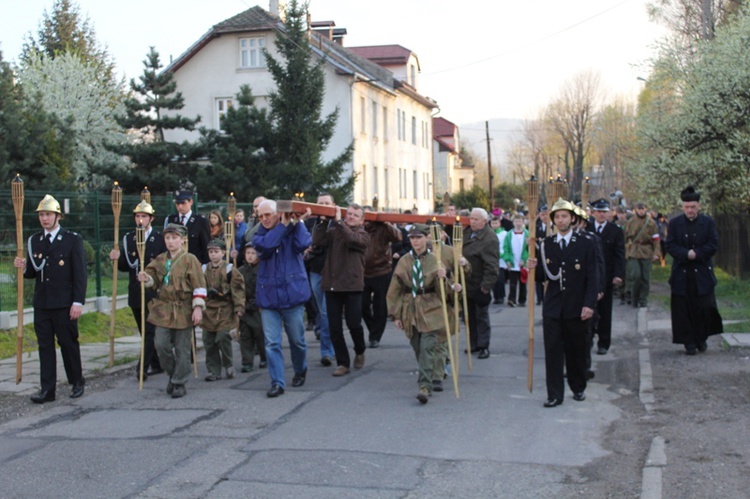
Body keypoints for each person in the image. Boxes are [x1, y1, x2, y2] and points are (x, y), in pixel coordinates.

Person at [14, 195, 87, 403]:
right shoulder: (35, 240)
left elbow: (80, 274)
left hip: (65, 303)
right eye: (41, 215)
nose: (44, 219)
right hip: (43, 303)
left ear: (58, 217)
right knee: (44, 346)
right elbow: (33, 272)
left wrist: (77, 302)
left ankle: (76, 381)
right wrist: (22, 267)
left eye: (48, 215)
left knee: (68, 343)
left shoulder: (72, 240)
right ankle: (48, 389)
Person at [527, 198, 599, 408]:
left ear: (572, 219)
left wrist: (589, 304)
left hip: (577, 306)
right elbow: (544, 275)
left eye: (564, 216)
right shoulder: (546, 245)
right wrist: (533, 266)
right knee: (553, 352)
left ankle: (578, 387)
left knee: (576, 350)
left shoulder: (586, 243)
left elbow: (592, 276)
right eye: (557, 217)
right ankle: (554, 394)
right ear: (553, 221)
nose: (561, 220)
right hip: (553, 307)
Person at [387, 223, 462, 404]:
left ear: (426, 238)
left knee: (428, 347)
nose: (415, 241)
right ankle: (427, 375)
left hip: (431, 308)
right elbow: (394, 289)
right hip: (410, 308)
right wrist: (395, 315)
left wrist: (446, 280)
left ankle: (425, 386)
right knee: (418, 347)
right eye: (412, 238)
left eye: (418, 238)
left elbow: (445, 290)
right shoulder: (405, 261)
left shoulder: (435, 260)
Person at [138, 223, 207, 398]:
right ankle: (173, 374)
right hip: (163, 308)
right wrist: (146, 278)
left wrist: (197, 308)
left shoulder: (190, 259)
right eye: (167, 238)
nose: (170, 241)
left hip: (183, 308)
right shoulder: (160, 259)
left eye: (174, 237)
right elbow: (153, 279)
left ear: (182, 239)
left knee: (182, 348)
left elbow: (199, 285)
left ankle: (179, 383)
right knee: (160, 345)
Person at [252, 199, 312, 397]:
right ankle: (277, 382)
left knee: (297, 341)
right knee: (272, 343)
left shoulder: (294, 228)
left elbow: (304, 243)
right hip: (268, 297)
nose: (264, 219)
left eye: (267, 214)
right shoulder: (258, 235)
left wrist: (299, 222)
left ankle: (300, 369)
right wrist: (285, 225)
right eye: (260, 216)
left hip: (292, 294)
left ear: (278, 213)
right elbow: (268, 245)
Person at [110, 200, 167, 380]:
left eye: (144, 216)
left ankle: (142, 367)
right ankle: (156, 363)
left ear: (151, 218)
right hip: (135, 290)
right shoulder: (129, 238)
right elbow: (126, 266)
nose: (140, 220)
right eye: (137, 216)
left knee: (150, 330)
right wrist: (117, 259)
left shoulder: (159, 239)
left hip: (153, 291)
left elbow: (164, 264)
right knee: (144, 332)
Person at [313, 204, 370, 376]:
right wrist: (322, 222)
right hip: (332, 284)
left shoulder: (363, 235)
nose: (351, 217)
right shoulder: (335, 231)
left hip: (352, 286)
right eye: (349, 214)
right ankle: (343, 362)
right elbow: (317, 241)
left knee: (354, 325)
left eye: (355, 215)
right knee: (334, 327)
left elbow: (351, 239)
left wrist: (338, 223)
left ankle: (360, 350)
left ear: (362, 219)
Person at [666, 186, 723, 355]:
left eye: (693, 207)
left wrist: (697, 254)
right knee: (683, 309)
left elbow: (713, 244)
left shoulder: (708, 223)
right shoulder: (675, 224)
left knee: (703, 307)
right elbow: (670, 245)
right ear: (683, 207)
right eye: (687, 207)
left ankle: (701, 338)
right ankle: (688, 341)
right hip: (682, 273)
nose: (690, 210)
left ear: (698, 206)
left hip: (702, 272)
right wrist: (685, 254)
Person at [201, 239, 244, 381]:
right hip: (208, 310)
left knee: (222, 337)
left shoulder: (230, 269)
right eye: (211, 252)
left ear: (223, 253)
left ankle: (228, 365)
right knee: (209, 341)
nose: (213, 255)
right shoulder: (203, 269)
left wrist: (239, 307)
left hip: (224, 309)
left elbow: (237, 289)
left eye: (216, 252)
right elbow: (198, 287)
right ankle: (213, 370)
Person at [588, 198, 625, 355]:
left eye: (604, 212)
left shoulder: (615, 231)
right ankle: (587, 340)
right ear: (593, 213)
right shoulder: (587, 229)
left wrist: (618, 274)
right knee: (588, 308)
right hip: (589, 276)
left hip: (607, 276)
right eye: (598, 212)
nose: (601, 215)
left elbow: (619, 255)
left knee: (605, 310)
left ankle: (604, 342)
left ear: (609, 213)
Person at [461, 208, 499, 359]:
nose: (472, 221)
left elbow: (492, 265)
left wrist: (486, 286)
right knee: (468, 316)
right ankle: (473, 343)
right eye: (471, 218)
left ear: (485, 221)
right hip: (466, 282)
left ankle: (484, 346)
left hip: (479, 283)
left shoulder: (489, 238)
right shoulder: (467, 233)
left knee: (481, 316)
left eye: (476, 219)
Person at [304, 193, 336, 366]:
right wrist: (306, 247)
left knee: (326, 312)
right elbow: (303, 240)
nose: (323, 206)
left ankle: (328, 351)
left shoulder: (337, 222)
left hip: (332, 272)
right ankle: (330, 348)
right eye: (320, 203)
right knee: (322, 312)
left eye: (326, 203)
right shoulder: (311, 222)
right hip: (315, 270)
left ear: (333, 204)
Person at [362, 216, 402, 348]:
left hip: (381, 271)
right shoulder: (360, 228)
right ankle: (373, 328)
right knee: (362, 305)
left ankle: (375, 336)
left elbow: (398, 237)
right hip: (363, 272)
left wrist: (387, 223)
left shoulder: (383, 228)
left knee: (380, 306)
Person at [624, 202, 661, 308]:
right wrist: (626, 250)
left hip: (646, 251)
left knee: (645, 277)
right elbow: (625, 238)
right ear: (636, 209)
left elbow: (656, 239)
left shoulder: (651, 223)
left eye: (643, 209)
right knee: (636, 275)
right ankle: (634, 298)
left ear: (646, 209)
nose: (641, 211)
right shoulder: (630, 222)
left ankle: (643, 299)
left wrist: (656, 253)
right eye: (639, 209)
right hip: (634, 251)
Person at [237, 242, 266, 372]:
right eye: (248, 253)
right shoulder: (240, 270)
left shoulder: (262, 269)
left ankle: (265, 357)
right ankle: (247, 361)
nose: (250, 256)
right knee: (245, 336)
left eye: (253, 253)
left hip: (257, 307)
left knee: (259, 333)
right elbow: (236, 289)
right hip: (244, 307)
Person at [164, 190, 211, 264]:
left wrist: (205, 265)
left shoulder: (200, 221)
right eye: (177, 203)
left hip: (195, 264)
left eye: (183, 203)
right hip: (175, 263)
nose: (180, 206)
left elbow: (206, 245)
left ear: (191, 202)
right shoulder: (171, 219)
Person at [503, 213, 529, 307]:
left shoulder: (527, 234)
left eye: (520, 221)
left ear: (523, 222)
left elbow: (528, 249)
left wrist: (524, 259)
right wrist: (507, 260)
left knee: (523, 283)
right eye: (516, 221)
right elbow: (506, 248)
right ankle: (512, 299)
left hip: (523, 264)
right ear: (513, 222)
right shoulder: (509, 234)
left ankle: (522, 300)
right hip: (513, 263)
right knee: (512, 283)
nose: (518, 223)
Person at [490, 216, 507, 304]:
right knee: (493, 279)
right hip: (492, 260)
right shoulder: (489, 233)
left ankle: (501, 296)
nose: (494, 225)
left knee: (500, 279)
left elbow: (505, 245)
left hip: (501, 260)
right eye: (493, 223)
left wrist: (502, 254)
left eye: (496, 223)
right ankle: (496, 296)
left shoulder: (504, 233)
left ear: (499, 224)